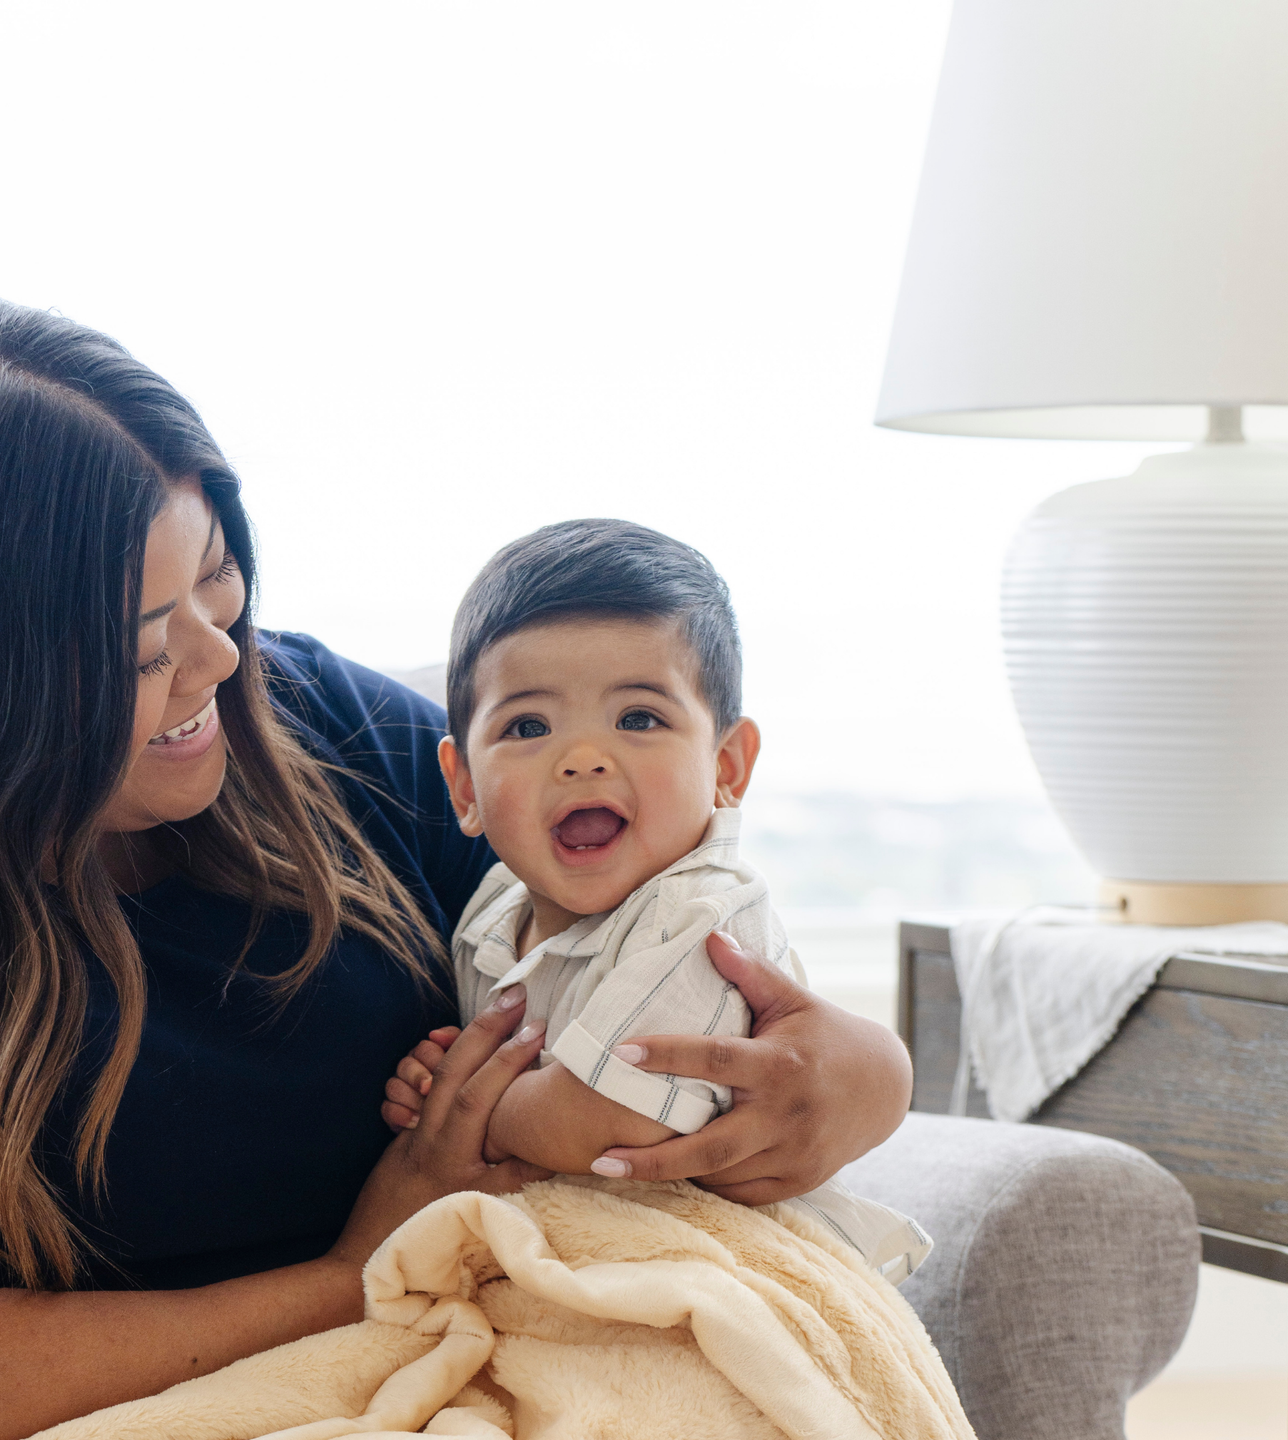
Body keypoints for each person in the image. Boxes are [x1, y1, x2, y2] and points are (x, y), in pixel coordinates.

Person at [0, 296, 913, 1440]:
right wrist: (367, 1259)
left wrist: (857, 1074)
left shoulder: (330, 731)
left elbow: (647, 939)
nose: (218, 656)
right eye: (144, 644)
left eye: (218, 576)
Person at [385, 519, 931, 1284]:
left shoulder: (698, 914)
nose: (582, 758)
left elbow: (612, 1117)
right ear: (465, 788)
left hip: (719, 1261)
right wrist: (440, 1074)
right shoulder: (491, 907)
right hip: (573, 1251)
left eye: (638, 718)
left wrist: (460, 1099)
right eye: (528, 725)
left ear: (726, 766)